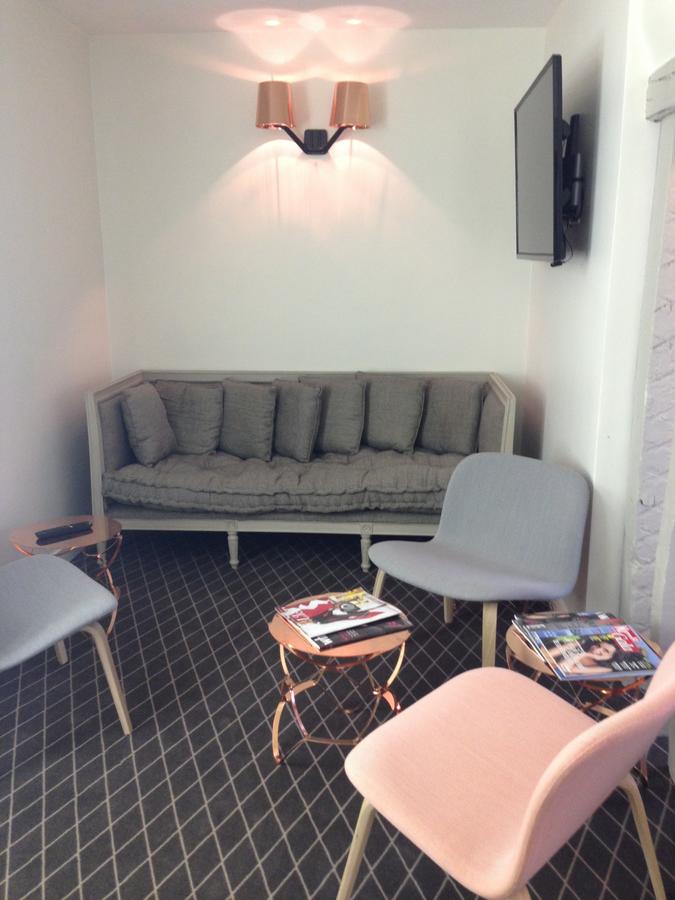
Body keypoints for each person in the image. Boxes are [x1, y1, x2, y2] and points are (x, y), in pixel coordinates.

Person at [546, 636, 645, 676]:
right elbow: (545, 654)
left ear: (610, 658)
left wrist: (583, 654)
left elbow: (561, 669)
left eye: (604, 652)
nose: (597, 649)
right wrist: (575, 644)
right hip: (546, 657)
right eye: (599, 645)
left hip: (551, 673)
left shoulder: (605, 668)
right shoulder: (586, 642)